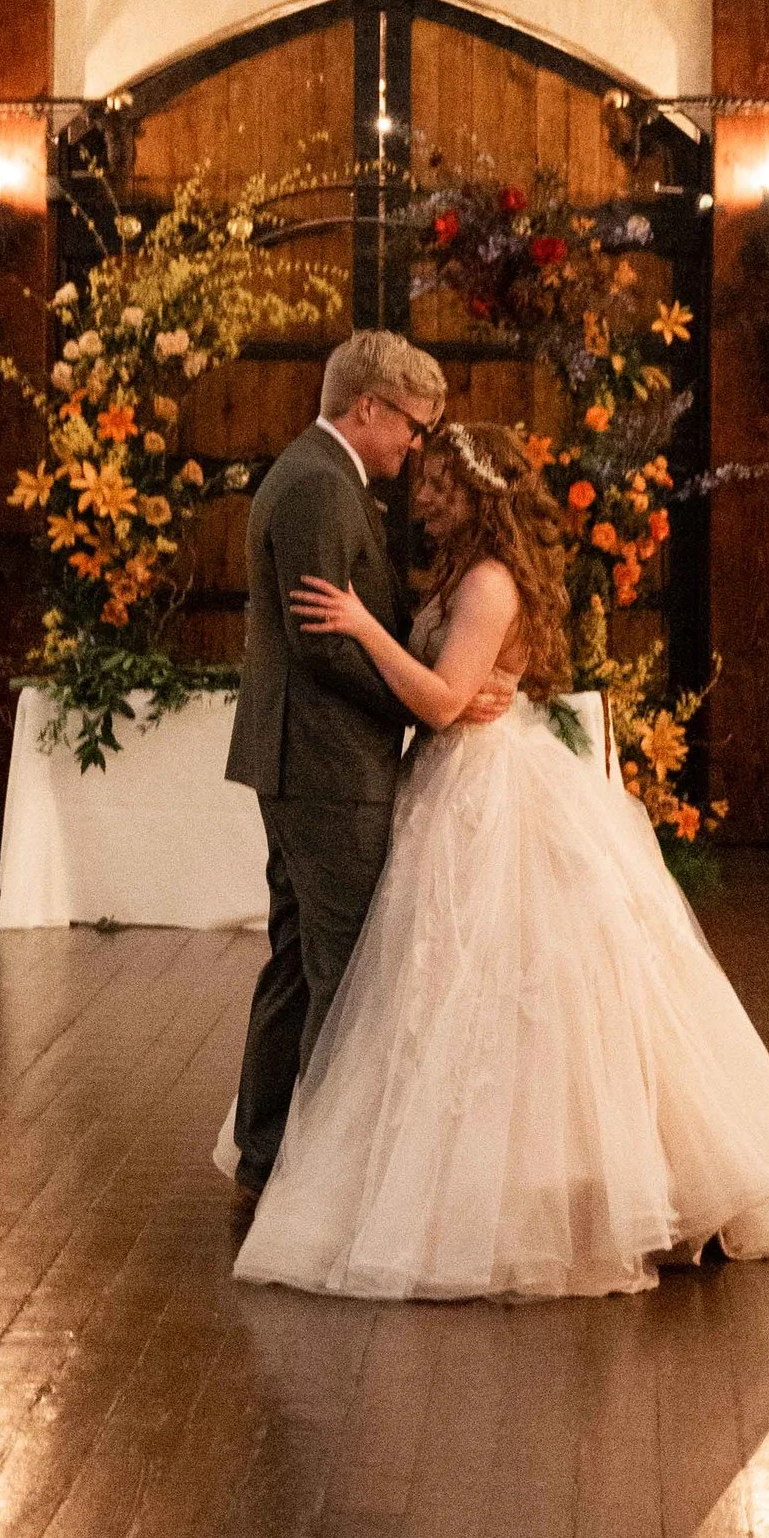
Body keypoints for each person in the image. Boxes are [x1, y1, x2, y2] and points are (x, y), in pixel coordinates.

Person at [236, 418, 769, 1301]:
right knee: (446, 985)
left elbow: (443, 701)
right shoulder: (460, 572)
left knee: (510, 989)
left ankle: (542, 1187)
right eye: (425, 483)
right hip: (449, 786)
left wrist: (362, 628)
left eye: (441, 487)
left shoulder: (489, 583)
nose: (423, 500)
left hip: (489, 787)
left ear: (481, 496)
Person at [224, 328, 460, 1199]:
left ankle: (268, 1155)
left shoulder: (321, 476)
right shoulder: (322, 485)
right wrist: (425, 700)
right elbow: (322, 645)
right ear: (366, 406)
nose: (416, 446)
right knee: (345, 970)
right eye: (412, 425)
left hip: (306, 759)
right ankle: (322, 1179)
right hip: (326, 765)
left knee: (297, 962)